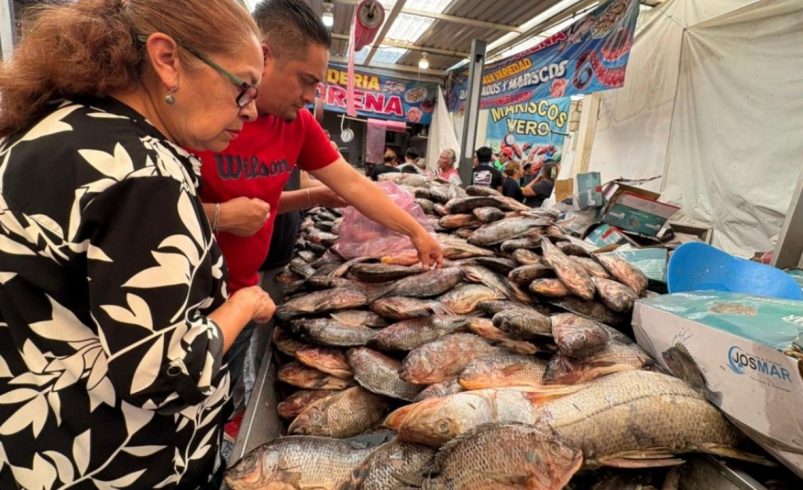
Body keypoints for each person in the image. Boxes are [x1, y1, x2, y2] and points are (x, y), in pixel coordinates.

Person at [0, 1, 276, 488]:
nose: (251, 109)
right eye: (243, 86)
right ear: (167, 60)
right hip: (111, 464)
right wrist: (243, 303)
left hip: (34, 448)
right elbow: (164, 373)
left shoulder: (47, 132)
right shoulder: (145, 172)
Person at [195, 0, 442, 410]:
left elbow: (352, 183)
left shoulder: (297, 124)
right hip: (183, 298)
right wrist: (219, 216)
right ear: (264, 56)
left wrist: (416, 231)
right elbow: (136, 204)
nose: (311, 97)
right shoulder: (199, 111)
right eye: (305, 81)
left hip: (241, 290)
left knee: (218, 404)